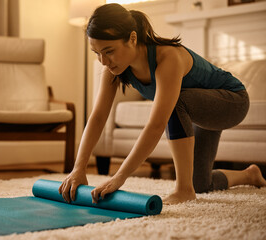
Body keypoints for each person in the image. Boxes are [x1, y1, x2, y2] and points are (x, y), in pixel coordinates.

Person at [58, 3, 266, 205]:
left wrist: (119, 177)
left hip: (232, 101)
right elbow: (98, 116)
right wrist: (79, 168)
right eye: (97, 53)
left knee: (176, 103)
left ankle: (183, 190)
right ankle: (249, 175)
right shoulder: (114, 68)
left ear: (132, 38)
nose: (103, 61)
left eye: (109, 51)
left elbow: (157, 124)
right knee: (201, 183)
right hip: (197, 108)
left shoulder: (168, 57)